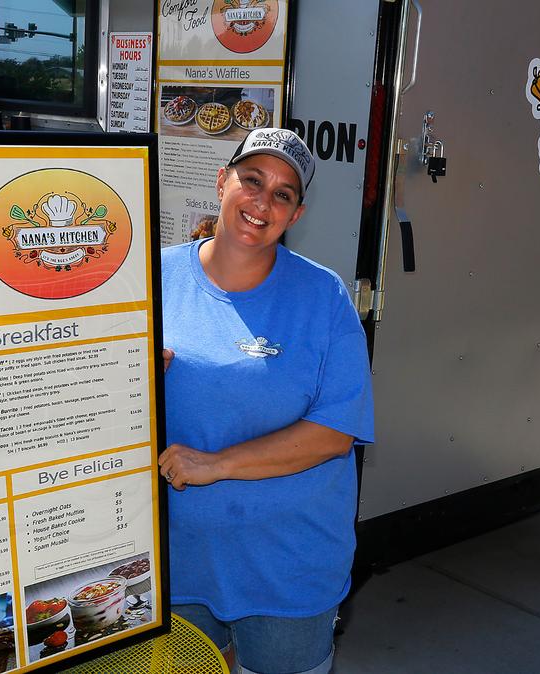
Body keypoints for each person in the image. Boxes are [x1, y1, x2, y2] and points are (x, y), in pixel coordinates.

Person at [158, 128, 374, 674]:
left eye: (283, 193)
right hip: (176, 560)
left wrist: (217, 464)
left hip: (287, 565)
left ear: (296, 214)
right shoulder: (153, 278)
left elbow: (334, 432)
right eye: (252, 180)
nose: (263, 202)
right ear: (222, 181)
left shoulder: (324, 296)